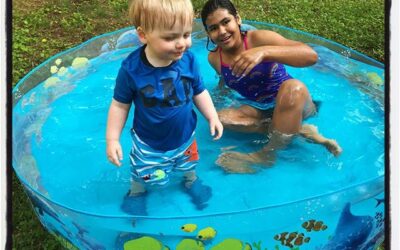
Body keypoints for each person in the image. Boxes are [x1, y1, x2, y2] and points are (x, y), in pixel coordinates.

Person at [106, 0, 223, 215]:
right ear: (143, 35)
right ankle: (137, 192)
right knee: (144, 174)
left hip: (186, 137)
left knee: (188, 164)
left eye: (186, 35)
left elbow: (199, 91)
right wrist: (112, 139)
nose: (181, 44)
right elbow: (120, 105)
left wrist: (212, 116)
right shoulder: (131, 70)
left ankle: (190, 180)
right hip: (149, 145)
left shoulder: (188, 60)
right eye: (170, 38)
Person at [200, 0, 342, 173]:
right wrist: (219, 95)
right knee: (221, 118)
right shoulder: (214, 58)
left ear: (237, 19)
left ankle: (266, 155)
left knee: (293, 87)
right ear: (208, 33)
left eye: (225, 22)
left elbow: (311, 56)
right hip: (260, 108)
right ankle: (297, 130)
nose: (222, 32)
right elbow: (224, 80)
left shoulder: (260, 39)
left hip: (293, 102)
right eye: (213, 28)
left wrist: (264, 52)